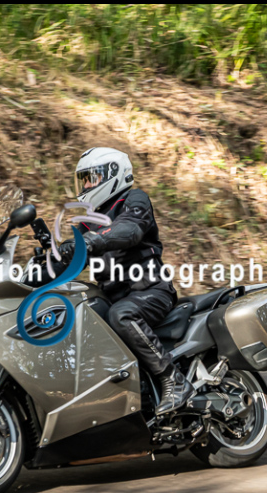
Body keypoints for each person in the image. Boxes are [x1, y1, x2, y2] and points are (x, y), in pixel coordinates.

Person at [58, 147, 193, 415]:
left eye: (92, 178)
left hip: (151, 291)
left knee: (122, 315)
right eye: (84, 179)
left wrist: (93, 241)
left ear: (114, 173)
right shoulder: (89, 222)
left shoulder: (134, 199)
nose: (86, 185)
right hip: (115, 297)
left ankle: (173, 379)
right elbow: (71, 263)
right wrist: (45, 263)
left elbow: (129, 229)